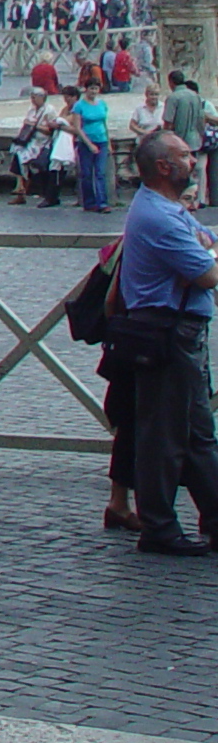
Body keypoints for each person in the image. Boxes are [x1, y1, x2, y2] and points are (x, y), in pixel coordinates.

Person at [118, 130, 218, 555]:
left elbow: (208, 247)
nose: (194, 160)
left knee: (197, 435)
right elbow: (209, 273)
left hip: (179, 332)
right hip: (167, 334)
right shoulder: (160, 215)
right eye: (186, 155)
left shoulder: (166, 208)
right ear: (164, 166)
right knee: (166, 436)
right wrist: (204, 256)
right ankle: (158, 527)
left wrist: (204, 252)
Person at [74, 79, 113, 214]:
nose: (94, 91)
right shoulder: (79, 106)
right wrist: (89, 144)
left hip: (101, 140)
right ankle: (89, 202)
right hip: (85, 143)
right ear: (86, 89)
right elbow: (78, 127)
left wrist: (109, 142)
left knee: (100, 173)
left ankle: (102, 202)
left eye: (96, 89)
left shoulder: (102, 104)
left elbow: (104, 123)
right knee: (86, 174)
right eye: (91, 88)